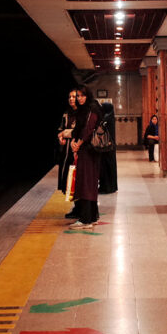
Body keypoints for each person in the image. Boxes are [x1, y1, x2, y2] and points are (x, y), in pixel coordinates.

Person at [69, 86, 102, 228]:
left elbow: (88, 129)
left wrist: (78, 144)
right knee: (89, 182)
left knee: (86, 183)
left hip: (89, 150)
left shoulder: (92, 108)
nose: (79, 98)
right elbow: (78, 128)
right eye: (78, 96)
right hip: (86, 150)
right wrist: (73, 141)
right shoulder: (83, 110)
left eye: (82, 96)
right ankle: (92, 216)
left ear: (87, 96)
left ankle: (85, 219)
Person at [56, 90, 78, 193]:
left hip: (77, 146)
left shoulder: (83, 113)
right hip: (66, 148)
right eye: (69, 97)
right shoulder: (66, 113)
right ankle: (66, 189)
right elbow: (60, 129)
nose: (71, 99)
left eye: (74, 97)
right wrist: (60, 138)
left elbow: (79, 130)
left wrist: (64, 133)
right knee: (66, 169)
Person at [98, 102, 118, 194]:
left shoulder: (106, 118)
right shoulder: (110, 117)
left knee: (106, 167)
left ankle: (106, 187)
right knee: (109, 167)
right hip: (110, 147)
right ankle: (111, 186)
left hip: (107, 147)